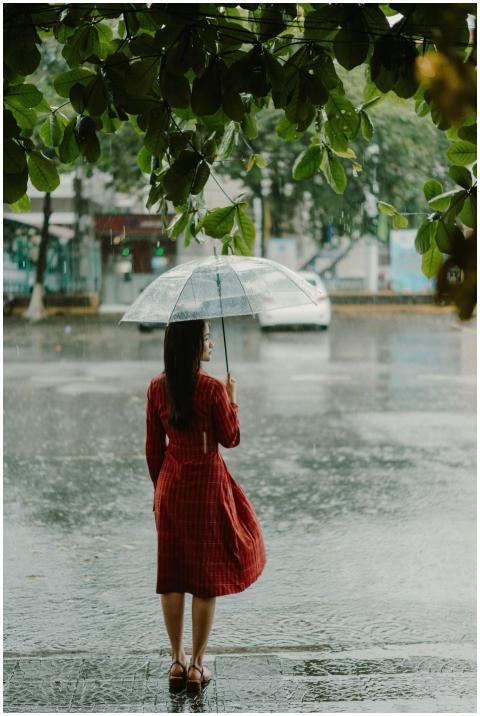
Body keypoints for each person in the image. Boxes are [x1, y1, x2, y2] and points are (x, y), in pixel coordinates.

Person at [145, 319, 266, 692]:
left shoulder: (156, 388)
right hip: (207, 486)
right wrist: (231, 400)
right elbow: (230, 438)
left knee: (173, 574)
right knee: (205, 577)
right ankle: (197, 666)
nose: (211, 343)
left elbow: (154, 449)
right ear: (194, 344)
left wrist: (160, 492)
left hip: (171, 486)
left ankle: (176, 662)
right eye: (207, 337)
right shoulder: (212, 389)